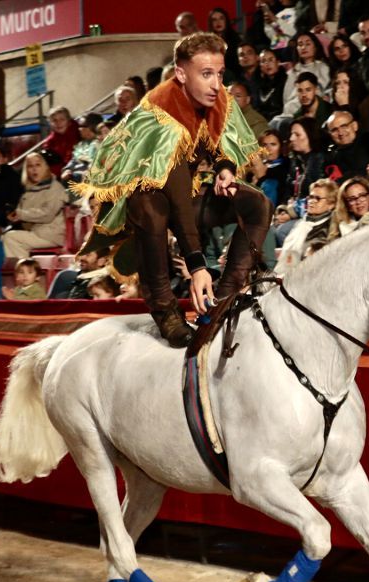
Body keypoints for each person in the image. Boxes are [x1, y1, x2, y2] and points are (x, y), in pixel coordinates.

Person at [74, 32, 269, 347]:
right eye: (206, 74)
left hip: (186, 190)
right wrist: (197, 267)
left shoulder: (217, 98)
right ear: (181, 74)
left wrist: (224, 169)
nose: (216, 83)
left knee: (257, 203)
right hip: (145, 199)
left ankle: (225, 296)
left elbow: (223, 142)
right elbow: (176, 196)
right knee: (150, 208)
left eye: (219, 74)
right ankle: (164, 310)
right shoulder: (162, 114)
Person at [1, 152, 68, 259]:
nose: (34, 169)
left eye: (38, 165)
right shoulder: (29, 191)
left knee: (11, 238)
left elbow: (47, 214)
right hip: (36, 232)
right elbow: (23, 215)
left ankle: (26, 270)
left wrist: (20, 214)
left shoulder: (55, 188)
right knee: (4, 237)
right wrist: (14, 216)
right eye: (30, 166)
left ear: (45, 167)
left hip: (50, 234)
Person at [277, 178, 338, 271]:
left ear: (331, 204)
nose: (311, 201)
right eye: (311, 197)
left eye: (317, 198)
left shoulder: (330, 229)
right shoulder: (301, 222)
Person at [281, 32, 332, 115]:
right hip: (291, 110)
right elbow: (286, 98)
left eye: (308, 44)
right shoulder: (293, 71)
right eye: (300, 45)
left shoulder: (323, 67)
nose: (303, 47)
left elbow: (325, 92)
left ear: (315, 47)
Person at [322, 109, 369, 182]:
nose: (340, 133)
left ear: (355, 126)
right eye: (334, 130)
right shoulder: (331, 158)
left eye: (344, 126)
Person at [287, 117, 327, 203]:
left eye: (297, 135)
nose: (291, 138)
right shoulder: (295, 160)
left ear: (310, 135)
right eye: (291, 134)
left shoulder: (322, 160)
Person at [252, 129, 292, 206]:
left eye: (273, 144)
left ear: (280, 146)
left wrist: (260, 177)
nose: (268, 149)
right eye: (264, 145)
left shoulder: (285, 166)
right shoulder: (255, 166)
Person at [40, 107, 81, 176]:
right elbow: (53, 167)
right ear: (50, 123)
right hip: (64, 174)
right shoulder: (49, 142)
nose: (58, 123)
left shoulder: (78, 130)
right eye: (54, 120)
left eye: (62, 119)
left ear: (68, 121)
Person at [255, 49, 287, 119]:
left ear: (278, 62)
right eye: (263, 61)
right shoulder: (259, 85)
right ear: (260, 66)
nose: (267, 64)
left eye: (271, 60)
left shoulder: (286, 81)